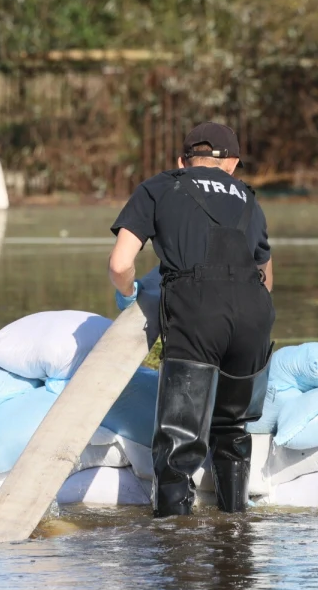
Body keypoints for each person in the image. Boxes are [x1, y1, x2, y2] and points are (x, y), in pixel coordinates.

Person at [108, 122, 274, 517]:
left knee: (180, 437)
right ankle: (235, 526)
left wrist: (127, 291)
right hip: (254, 315)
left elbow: (120, 262)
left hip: (197, 310)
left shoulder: (161, 185)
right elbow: (265, 275)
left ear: (181, 161)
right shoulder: (251, 200)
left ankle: (174, 540)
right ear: (232, 164)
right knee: (233, 432)